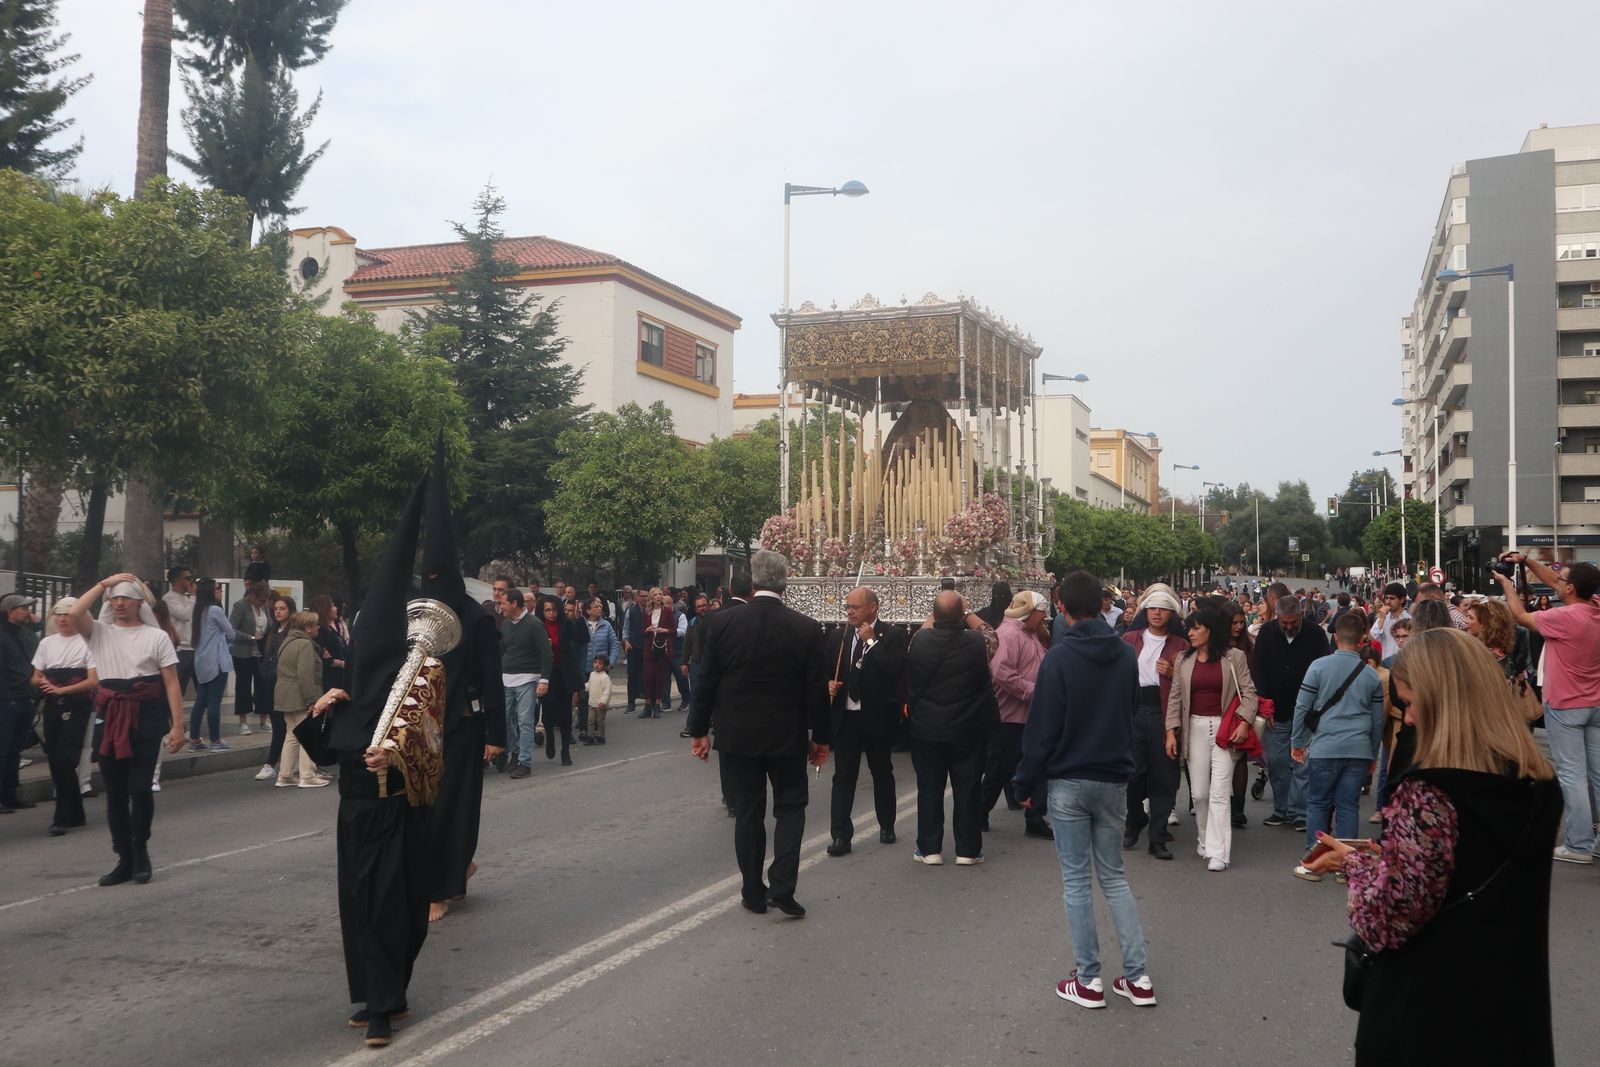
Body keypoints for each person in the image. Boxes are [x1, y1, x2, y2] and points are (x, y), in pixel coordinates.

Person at [1305, 629, 1562, 1065]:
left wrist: (1353, 865)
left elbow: (1390, 913)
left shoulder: (1429, 792)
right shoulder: (1540, 785)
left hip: (1428, 1009)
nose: (1408, 719)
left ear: (1443, 701)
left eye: (1410, 702)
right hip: (1514, 1007)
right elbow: (1470, 864)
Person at [1013, 570, 1155, 1010]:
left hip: (1069, 779)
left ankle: (1088, 978)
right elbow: (1131, 708)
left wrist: (1024, 780)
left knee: (1077, 881)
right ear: (1102, 604)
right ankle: (1138, 977)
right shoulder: (1124, 656)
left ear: (1062, 607)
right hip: (1113, 776)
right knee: (1113, 877)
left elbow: (1042, 728)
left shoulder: (1058, 659)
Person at [686, 550, 828, 917]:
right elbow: (817, 690)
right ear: (786, 579)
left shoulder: (723, 624)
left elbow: (708, 682)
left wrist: (698, 730)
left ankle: (752, 890)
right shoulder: (806, 628)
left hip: (738, 735)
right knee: (791, 808)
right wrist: (822, 738)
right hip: (787, 735)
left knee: (748, 811)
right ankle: (783, 885)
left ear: (754, 579)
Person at [65, 575, 185, 885]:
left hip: (145, 715)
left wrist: (178, 727)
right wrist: (104, 583)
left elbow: (171, 683)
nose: (119, 603)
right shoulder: (99, 632)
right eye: (114, 599)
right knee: (115, 794)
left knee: (141, 790)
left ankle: (140, 849)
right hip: (110, 714)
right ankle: (124, 857)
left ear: (139, 603)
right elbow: (76, 613)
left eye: (125, 598)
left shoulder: (155, 637)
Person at [1491, 554, 1600, 864]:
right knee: (1597, 773)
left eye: (1562, 580)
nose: (1557, 582)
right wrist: (1526, 562)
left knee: (1572, 775)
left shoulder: (1564, 619)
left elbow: (1519, 615)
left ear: (1571, 589)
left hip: (1565, 703)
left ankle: (1578, 844)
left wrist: (1507, 584)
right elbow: (1557, 582)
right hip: (1595, 702)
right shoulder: (1595, 609)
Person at [905, 590, 999, 866]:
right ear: (961, 615)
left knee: (929, 788)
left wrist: (935, 615)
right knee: (968, 788)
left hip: (927, 728)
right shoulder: (976, 643)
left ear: (934, 615)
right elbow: (992, 635)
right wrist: (968, 613)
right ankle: (968, 850)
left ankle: (929, 848)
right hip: (968, 728)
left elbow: (921, 633)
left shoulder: (919, 641)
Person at [1289, 611, 1383, 881]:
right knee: (1348, 805)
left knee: (1318, 802)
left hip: (1325, 746)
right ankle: (1347, 864)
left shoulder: (1318, 667)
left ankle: (1314, 859)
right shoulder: (1371, 676)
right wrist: (1373, 752)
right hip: (1358, 748)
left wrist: (1298, 741)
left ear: (1334, 636)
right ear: (1363, 639)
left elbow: (1302, 707)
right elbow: (1377, 720)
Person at [1164, 605, 1259, 872]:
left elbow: (1250, 693)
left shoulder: (1234, 657)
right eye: (1189, 628)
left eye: (1196, 628)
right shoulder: (1183, 659)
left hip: (1225, 729)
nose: (1190, 633)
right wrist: (1171, 730)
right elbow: (1175, 697)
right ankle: (1204, 838)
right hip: (1193, 728)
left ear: (1210, 630)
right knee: (1201, 794)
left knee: (1219, 793)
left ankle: (1219, 852)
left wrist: (1244, 721)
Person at [823, 586, 908, 857]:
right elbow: (825, 672)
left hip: (877, 717)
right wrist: (829, 685)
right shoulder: (839, 636)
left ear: (872, 608)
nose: (850, 611)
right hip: (846, 718)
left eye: (855, 607)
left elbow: (894, 670)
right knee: (843, 777)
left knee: (881, 771)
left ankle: (887, 824)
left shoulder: (892, 635)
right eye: (848, 607)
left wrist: (872, 642)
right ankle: (840, 835)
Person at [1120, 584, 1187, 859]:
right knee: (1132, 775)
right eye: (1153, 609)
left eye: (1163, 609)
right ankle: (1135, 818)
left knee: (1164, 778)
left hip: (1164, 714)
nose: (1157, 613)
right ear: (1146, 612)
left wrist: (1173, 672)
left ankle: (1157, 837)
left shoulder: (1181, 645)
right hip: (1134, 711)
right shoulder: (1129, 639)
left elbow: (1190, 683)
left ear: (1171, 614)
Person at [1252, 592, 1330, 832]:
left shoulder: (1316, 634)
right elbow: (1258, 669)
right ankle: (1281, 809)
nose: (1288, 627)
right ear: (1277, 617)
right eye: (1283, 623)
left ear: (1300, 616)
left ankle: (1298, 811)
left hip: (1306, 712)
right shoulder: (1266, 632)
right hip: (1276, 710)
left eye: (1292, 623)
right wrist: (1265, 704)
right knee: (1276, 761)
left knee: (1302, 763)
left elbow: (1324, 669)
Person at [979, 590, 1052, 839]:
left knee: (1040, 767)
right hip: (1009, 716)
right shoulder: (1009, 634)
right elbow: (1002, 672)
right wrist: (1033, 691)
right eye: (1042, 614)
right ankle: (980, 810)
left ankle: (1035, 819)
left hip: (1031, 714)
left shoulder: (1029, 634)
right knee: (1000, 769)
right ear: (1030, 612)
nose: (1045, 619)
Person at [30, 597, 98, 832]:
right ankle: (76, 812)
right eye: (58, 614)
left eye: (67, 614)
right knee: (55, 759)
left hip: (78, 707)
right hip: (52, 706)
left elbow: (93, 680)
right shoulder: (47, 643)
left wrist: (64, 689)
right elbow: (35, 676)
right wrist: (45, 683)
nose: (62, 618)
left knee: (65, 759)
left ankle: (61, 817)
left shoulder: (87, 643)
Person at [498, 587, 550, 780]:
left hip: (528, 678)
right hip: (506, 678)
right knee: (506, 718)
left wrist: (543, 680)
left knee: (525, 721)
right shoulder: (505, 625)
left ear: (514, 604)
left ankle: (525, 762)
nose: (500, 606)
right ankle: (515, 752)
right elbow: (503, 649)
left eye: (503, 603)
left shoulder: (534, 624)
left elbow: (546, 652)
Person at [274, 610, 329, 789]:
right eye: (315, 625)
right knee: (308, 733)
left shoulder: (287, 641)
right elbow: (305, 675)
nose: (317, 629)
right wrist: (312, 699)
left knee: (291, 734)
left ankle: (285, 774)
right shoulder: (305, 644)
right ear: (308, 627)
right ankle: (307, 775)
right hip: (300, 694)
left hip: (284, 693)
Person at [0, 594, 41, 815]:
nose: (28, 611)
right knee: (3, 750)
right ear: (10, 612)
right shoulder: (2, 635)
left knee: (15, 749)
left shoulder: (24, 635)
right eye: (23, 608)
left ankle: (10, 795)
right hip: (7, 702)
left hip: (25, 698)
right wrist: (9, 698)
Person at [253, 594, 298, 782]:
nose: (278, 612)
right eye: (276, 609)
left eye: (282, 608)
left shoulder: (293, 633)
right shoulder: (273, 631)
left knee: (286, 726)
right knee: (280, 725)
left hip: (287, 685)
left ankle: (273, 764)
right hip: (271, 683)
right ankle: (277, 765)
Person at [190, 579, 234, 751]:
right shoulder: (215, 610)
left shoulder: (198, 610)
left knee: (201, 700)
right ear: (211, 591)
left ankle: (194, 739)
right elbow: (230, 632)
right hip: (217, 661)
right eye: (218, 589)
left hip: (202, 661)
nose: (221, 592)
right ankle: (215, 740)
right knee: (214, 700)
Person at [229, 580, 272, 735]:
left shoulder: (265, 606)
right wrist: (250, 637)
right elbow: (231, 630)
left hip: (260, 653)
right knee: (243, 686)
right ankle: (243, 722)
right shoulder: (240, 606)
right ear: (253, 596)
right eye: (260, 600)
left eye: (265, 600)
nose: (262, 603)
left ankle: (263, 719)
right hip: (243, 653)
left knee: (262, 686)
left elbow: (270, 625)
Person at [579, 597, 620, 744]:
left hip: (601, 670)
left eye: (600, 606)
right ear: (588, 610)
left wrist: (611, 663)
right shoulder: (581, 624)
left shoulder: (606, 625)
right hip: (585, 668)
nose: (599, 608)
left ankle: (597, 729)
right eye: (595, 606)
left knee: (598, 700)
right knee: (584, 699)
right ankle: (584, 728)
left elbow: (615, 645)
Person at [162, 567, 197, 697]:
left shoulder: (187, 599)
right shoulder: (169, 599)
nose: (191, 581)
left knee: (181, 690)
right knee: (175, 689)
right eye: (187, 578)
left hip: (191, 648)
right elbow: (185, 615)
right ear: (177, 580)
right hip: (179, 649)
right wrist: (193, 597)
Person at [640, 590, 676, 719]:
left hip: (662, 647)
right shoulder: (646, 612)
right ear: (651, 598)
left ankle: (657, 705)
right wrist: (647, 630)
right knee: (648, 676)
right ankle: (647, 705)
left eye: (660, 594)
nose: (658, 597)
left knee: (659, 676)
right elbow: (642, 632)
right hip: (649, 646)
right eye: (655, 595)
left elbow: (674, 631)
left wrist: (664, 630)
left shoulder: (667, 611)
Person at [311, 594, 349, 693]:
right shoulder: (320, 631)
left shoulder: (330, 629)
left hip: (338, 678)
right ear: (325, 609)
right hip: (328, 681)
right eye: (332, 606)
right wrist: (341, 663)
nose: (336, 608)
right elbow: (323, 657)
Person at [1369, 583, 1411, 661]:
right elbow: (1373, 639)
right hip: (1386, 663)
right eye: (1386, 598)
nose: (1388, 602)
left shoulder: (1410, 620)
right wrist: (1381, 619)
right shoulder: (1382, 619)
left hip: (1404, 663)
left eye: (1392, 598)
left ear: (1401, 600)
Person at [622, 589, 645, 713]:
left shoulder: (652, 611)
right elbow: (625, 627)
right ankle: (631, 703)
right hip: (633, 646)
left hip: (647, 647)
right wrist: (625, 640)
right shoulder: (631, 610)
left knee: (646, 674)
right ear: (637, 597)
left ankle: (648, 700)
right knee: (632, 675)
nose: (644, 598)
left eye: (647, 596)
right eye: (642, 596)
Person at [586, 655, 613, 745]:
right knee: (590, 720)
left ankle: (601, 736)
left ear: (604, 666)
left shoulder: (605, 677)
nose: (597, 665)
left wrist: (603, 702)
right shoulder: (592, 674)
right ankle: (590, 736)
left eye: (600, 663)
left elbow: (607, 691)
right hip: (592, 703)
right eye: (595, 662)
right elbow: (589, 685)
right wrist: (582, 687)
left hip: (600, 705)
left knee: (600, 721)